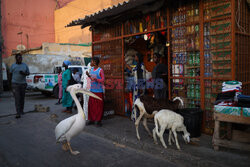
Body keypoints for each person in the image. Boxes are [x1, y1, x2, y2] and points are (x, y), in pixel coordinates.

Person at [10, 53, 30, 119]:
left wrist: (24, 73)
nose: (20, 59)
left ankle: (21, 111)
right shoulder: (13, 66)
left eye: (21, 58)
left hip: (23, 84)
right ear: (16, 59)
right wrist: (10, 84)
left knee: (22, 98)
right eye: (19, 58)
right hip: (15, 84)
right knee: (17, 98)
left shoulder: (25, 65)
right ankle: (18, 112)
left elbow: (28, 73)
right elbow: (10, 74)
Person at [86, 57, 105, 127]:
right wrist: (88, 75)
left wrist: (96, 79)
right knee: (91, 106)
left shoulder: (100, 70)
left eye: (91, 61)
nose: (90, 63)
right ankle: (91, 119)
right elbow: (91, 79)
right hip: (92, 90)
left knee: (99, 107)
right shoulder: (91, 70)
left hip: (99, 91)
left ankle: (98, 120)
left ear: (94, 62)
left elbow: (103, 80)